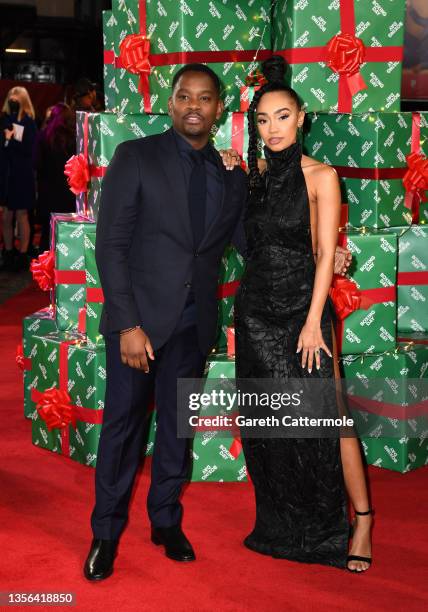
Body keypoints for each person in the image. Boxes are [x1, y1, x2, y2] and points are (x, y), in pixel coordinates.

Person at [84, 63, 351, 582]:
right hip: (138, 329)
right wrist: (125, 325)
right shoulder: (134, 157)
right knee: (122, 429)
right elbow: (110, 247)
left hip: (193, 326)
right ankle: (105, 532)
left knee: (176, 435)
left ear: (218, 109)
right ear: (172, 101)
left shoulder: (232, 175)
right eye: (184, 95)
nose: (192, 106)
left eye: (204, 99)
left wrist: (325, 253)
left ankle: (165, 520)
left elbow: (254, 244)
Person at [231, 56, 373, 572]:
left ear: (302, 116)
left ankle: (360, 520)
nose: (272, 128)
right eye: (263, 119)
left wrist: (314, 321)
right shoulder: (255, 174)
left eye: (282, 116)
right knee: (272, 420)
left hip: (302, 313)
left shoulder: (322, 176)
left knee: (330, 418)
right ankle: (285, 524)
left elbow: (323, 253)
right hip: (254, 313)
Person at [0, 86, 37, 271]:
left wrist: (13, 139)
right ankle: (8, 252)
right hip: (7, 174)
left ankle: (23, 254)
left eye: (16, 97)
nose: (13, 99)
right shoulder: (4, 120)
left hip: (21, 174)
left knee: (22, 215)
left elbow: (29, 150)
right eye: (10, 96)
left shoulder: (29, 122)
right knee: (6, 216)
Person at [34, 102, 76, 252]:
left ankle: (45, 272)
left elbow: (36, 164)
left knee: (47, 235)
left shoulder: (43, 137)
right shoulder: (73, 138)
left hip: (48, 194)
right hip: (68, 194)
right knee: (68, 236)